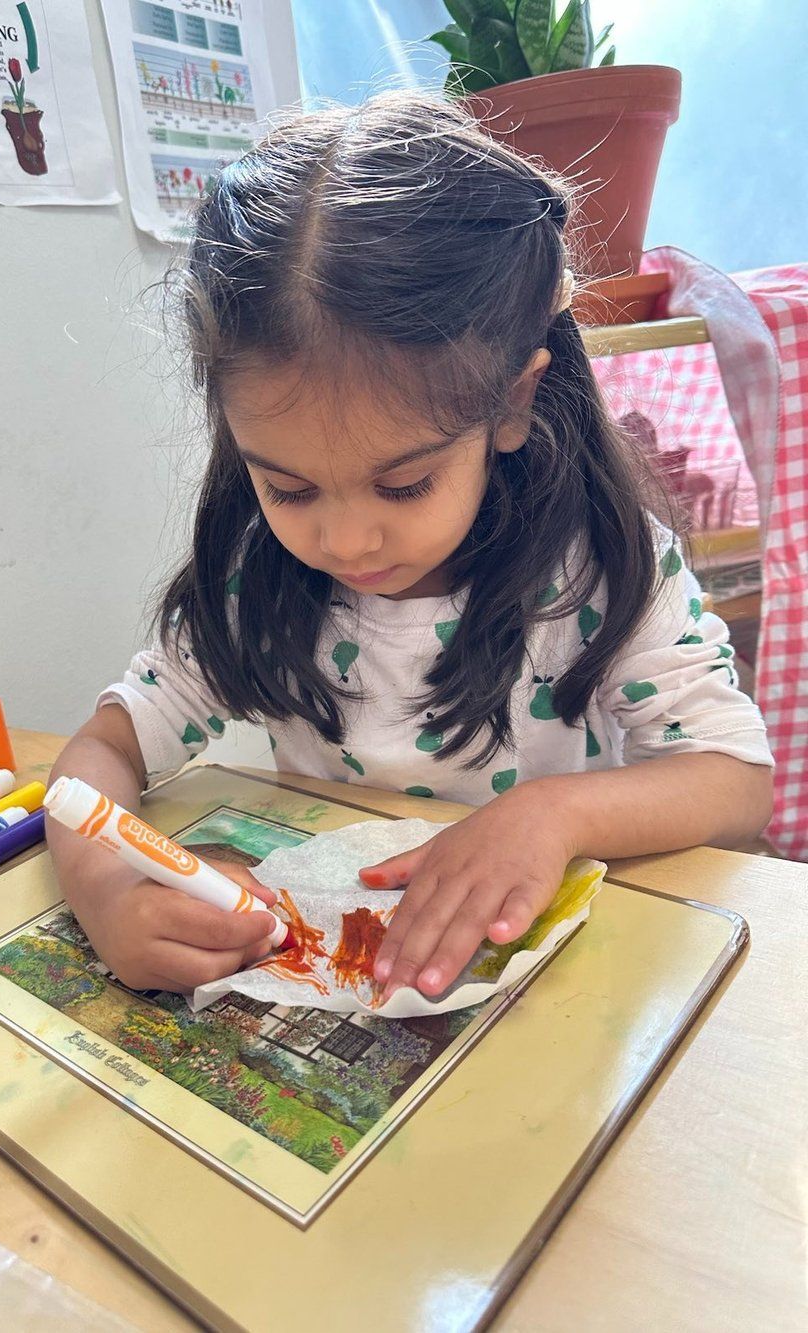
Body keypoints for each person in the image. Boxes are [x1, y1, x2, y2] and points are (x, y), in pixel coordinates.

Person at [46, 94, 773, 1002]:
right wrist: (107, 887)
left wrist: (552, 813)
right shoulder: (259, 582)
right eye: (289, 487)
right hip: (349, 973)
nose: (344, 539)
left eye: (403, 485)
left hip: (562, 991)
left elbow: (737, 787)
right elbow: (99, 753)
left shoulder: (599, 571)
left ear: (511, 405)